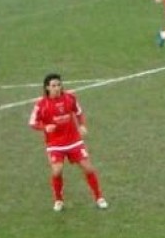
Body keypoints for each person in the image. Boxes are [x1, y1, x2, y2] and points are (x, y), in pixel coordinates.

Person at [29, 73, 107, 212]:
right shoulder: (41, 104)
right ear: (47, 87)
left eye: (59, 85)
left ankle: (99, 197)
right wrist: (45, 127)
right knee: (57, 171)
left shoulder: (70, 98)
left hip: (74, 141)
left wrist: (82, 125)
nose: (57, 88)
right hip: (55, 144)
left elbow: (79, 112)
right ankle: (58, 200)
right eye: (53, 86)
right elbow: (32, 122)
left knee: (88, 168)